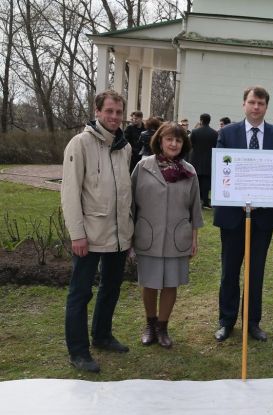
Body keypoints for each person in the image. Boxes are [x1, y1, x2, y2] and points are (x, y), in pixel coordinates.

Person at [61, 89, 134, 373]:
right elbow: (69, 193)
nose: (114, 117)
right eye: (109, 111)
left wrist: (127, 233)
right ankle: (78, 351)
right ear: (97, 111)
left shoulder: (124, 147)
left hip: (118, 235)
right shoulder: (79, 145)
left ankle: (102, 335)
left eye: (118, 112)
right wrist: (77, 234)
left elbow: (123, 193)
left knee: (111, 288)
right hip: (89, 235)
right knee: (80, 293)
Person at [213, 86, 273, 342]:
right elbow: (222, 171)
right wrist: (236, 196)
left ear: (267, 107)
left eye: (260, 103)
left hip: (263, 216)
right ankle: (226, 320)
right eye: (251, 102)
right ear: (243, 104)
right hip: (233, 216)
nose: (256, 107)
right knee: (230, 270)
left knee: (256, 271)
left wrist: (266, 197)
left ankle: (252, 322)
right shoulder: (227, 133)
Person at [131, 122, 203, 349]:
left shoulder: (189, 171)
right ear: (160, 141)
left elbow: (195, 209)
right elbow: (130, 204)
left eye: (178, 140)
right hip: (147, 235)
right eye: (169, 139)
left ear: (184, 144)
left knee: (171, 284)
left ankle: (163, 327)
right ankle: (150, 325)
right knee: (150, 283)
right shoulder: (143, 167)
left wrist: (194, 238)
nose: (174, 144)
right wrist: (129, 238)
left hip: (176, 237)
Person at [189, 113, 218, 208]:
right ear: (209, 121)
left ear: (201, 120)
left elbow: (191, 145)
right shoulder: (214, 133)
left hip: (195, 158)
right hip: (208, 159)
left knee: (196, 180)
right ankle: (205, 201)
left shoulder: (194, 132)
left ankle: (197, 200)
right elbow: (215, 146)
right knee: (206, 181)